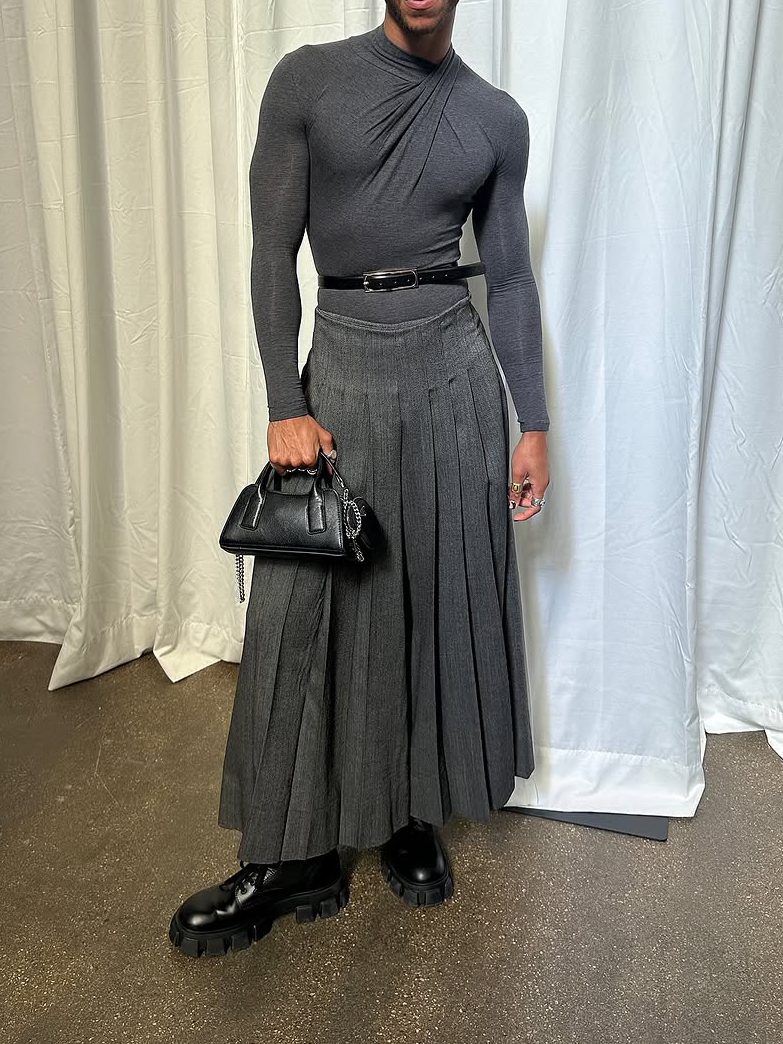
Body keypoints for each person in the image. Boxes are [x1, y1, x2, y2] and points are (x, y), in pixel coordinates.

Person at [169, 0, 550, 958]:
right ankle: (288, 856)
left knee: (428, 601)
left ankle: (409, 813)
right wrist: (282, 400)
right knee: (299, 616)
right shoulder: (307, 80)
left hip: (455, 380)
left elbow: (508, 279)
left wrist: (534, 423)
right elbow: (271, 249)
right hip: (337, 373)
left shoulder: (496, 118)